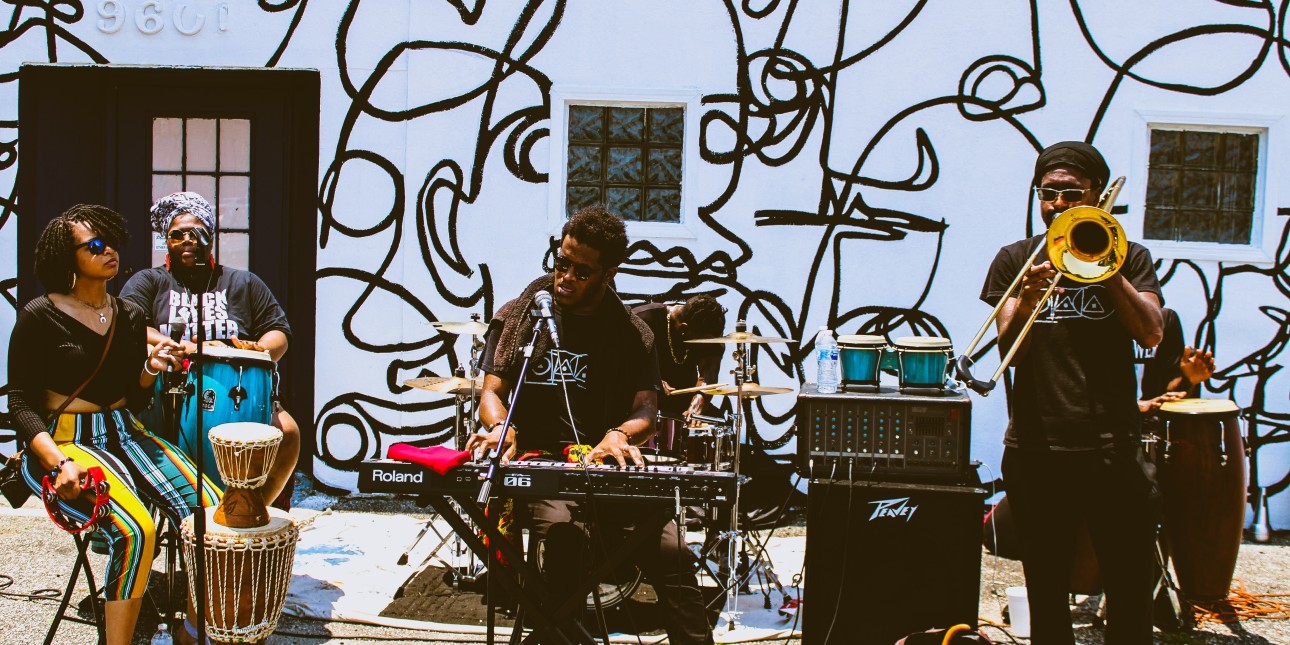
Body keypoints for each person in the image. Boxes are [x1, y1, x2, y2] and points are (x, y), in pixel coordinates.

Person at [466, 206, 713, 644]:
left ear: (608, 274)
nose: (565, 277)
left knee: (673, 553)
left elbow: (645, 411)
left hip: (608, 469)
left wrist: (617, 435)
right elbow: (491, 391)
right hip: (543, 467)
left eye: (581, 271)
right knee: (566, 544)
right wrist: (503, 429)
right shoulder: (521, 317)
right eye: (561, 263)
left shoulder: (634, 334)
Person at [8, 205, 221, 645]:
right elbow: (21, 402)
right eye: (96, 245)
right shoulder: (39, 315)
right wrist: (57, 462)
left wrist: (150, 367)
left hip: (124, 431)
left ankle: (192, 631)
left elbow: (137, 397)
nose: (110, 252)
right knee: (135, 529)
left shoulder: (127, 315)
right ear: (69, 258)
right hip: (64, 441)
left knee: (209, 513)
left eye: (111, 242)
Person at [980, 141, 1164, 644]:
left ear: (1098, 196)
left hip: (1113, 448)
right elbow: (1008, 354)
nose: (1058, 206)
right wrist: (1031, 295)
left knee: (1128, 593)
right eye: (1048, 194)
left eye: (1071, 194)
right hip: (1038, 450)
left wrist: (1109, 271)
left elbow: (1151, 332)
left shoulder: (1133, 257)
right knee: (1045, 592)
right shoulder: (1016, 260)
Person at [120, 192, 298, 507]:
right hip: (162, 397)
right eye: (177, 235)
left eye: (197, 232)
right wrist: (191, 348)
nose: (187, 240)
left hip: (233, 394)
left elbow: (279, 331)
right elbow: (128, 326)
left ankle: (246, 512)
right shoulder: (149, 282)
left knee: (287, 433)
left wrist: (255, 349)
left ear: (211, 239)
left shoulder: (242, 282)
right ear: (167, 242)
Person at [632, 295, 727, 422]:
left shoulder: (710, 329)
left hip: (683, 406)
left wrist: (696, 408)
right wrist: (650, 381)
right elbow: (615, 368)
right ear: (684, 329)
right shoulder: (642, 320)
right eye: (701, 342)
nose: (706, 346)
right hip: (638, 405)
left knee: (718, 423)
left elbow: (709, 374)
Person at [1138, 307, 1216, 413]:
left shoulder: (1165, 320)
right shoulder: (1108, 329)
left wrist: (1187, 381)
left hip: (1151, 423)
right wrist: (1135, 407)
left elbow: (1169, 390)